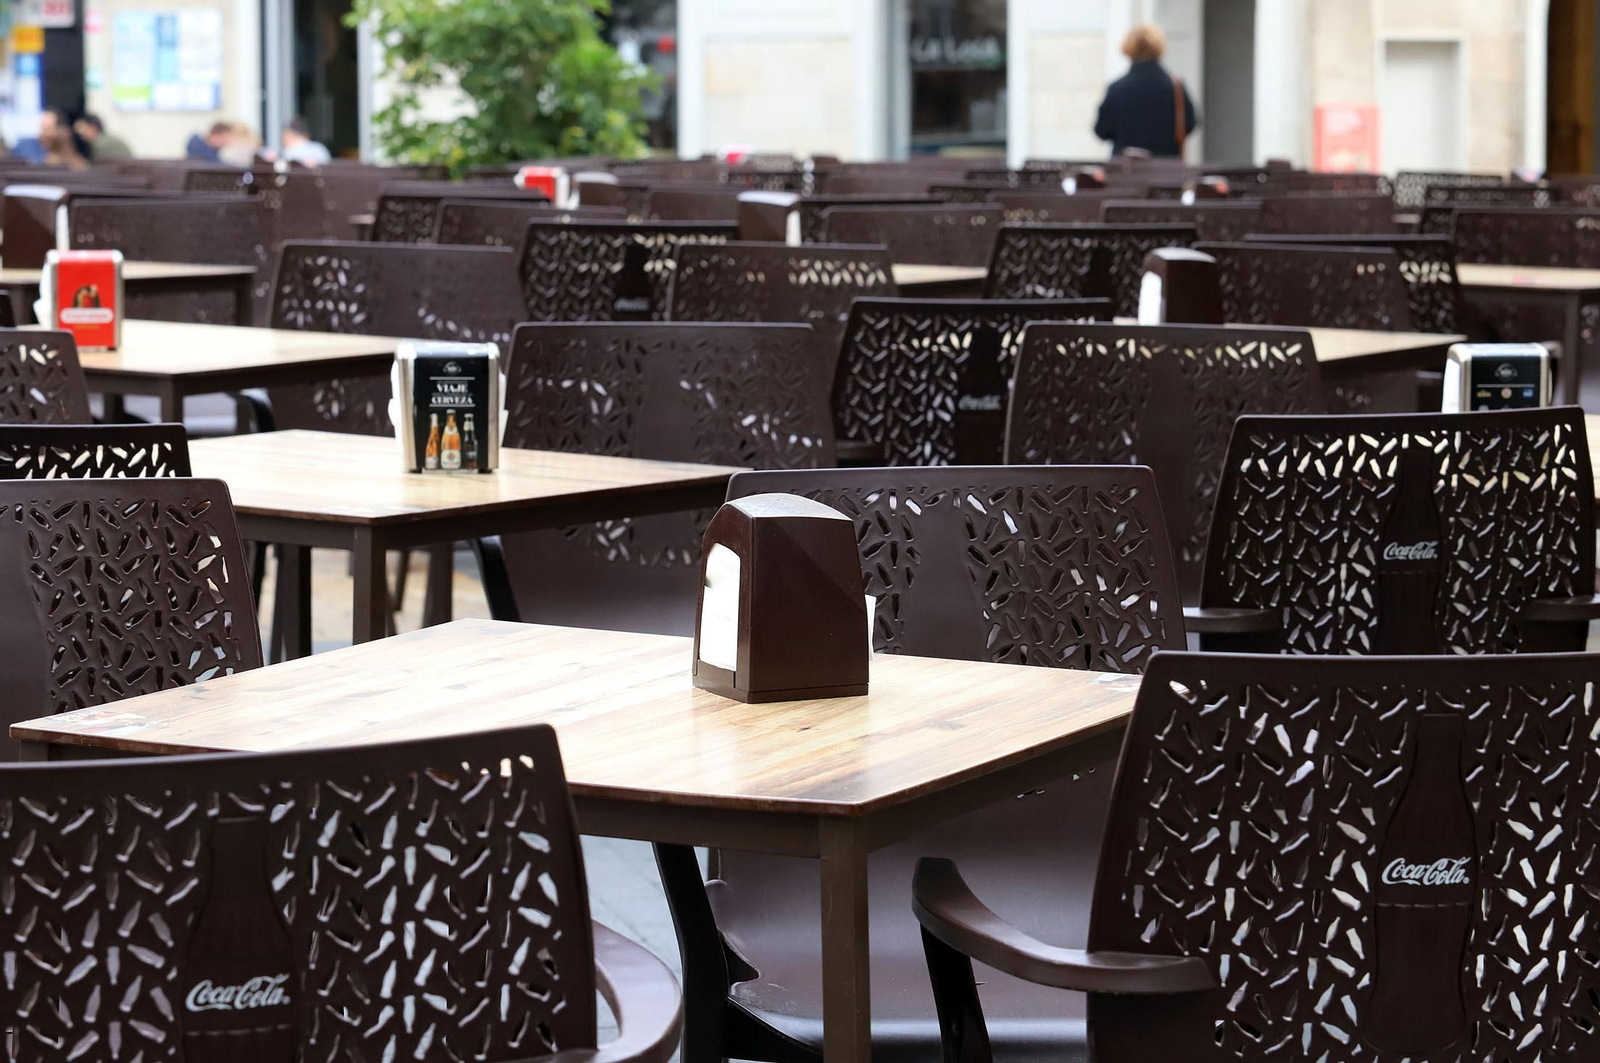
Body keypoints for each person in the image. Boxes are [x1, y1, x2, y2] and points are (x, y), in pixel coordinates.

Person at [1093, 24, 1198, 158]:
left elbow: (1101, 131)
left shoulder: (1117, 88)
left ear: (1128, 50)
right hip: (1166, 172)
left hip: (1127, 172)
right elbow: (1189, 124)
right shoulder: (1175, 87)